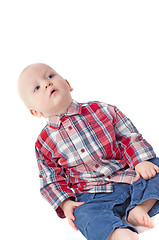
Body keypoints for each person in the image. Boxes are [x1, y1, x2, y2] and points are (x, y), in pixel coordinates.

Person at [18, 63, 159, 240]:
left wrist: (140, 162)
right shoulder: (44, 143)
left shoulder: (101, 109)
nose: (47, 84)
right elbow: (50, 177)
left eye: (50, 76)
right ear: (35, 112)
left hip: (129, 176)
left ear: (67, 84)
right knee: (82, 215)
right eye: (37, 88)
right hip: (92, 195)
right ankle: (116, 233)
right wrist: (65, 202)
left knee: (155, 166)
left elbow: (128, 136)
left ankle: (141, 207)